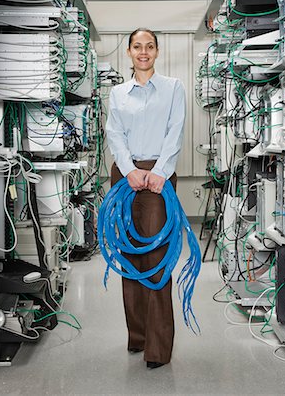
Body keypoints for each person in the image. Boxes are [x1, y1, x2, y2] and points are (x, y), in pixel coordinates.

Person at [105, 28, 186, 369]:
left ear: (157, 51)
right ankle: (137, 337)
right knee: (129, 259)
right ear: (128, 52)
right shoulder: (118, 93)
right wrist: (128, 170)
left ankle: (157, 348)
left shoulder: (173, 88)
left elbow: (175, 130)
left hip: (158, 178)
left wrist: (159, 172)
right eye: (137, 47)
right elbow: (115, 133)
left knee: (155, 261)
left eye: (149, 46)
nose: (143, 52)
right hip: (125, 177)